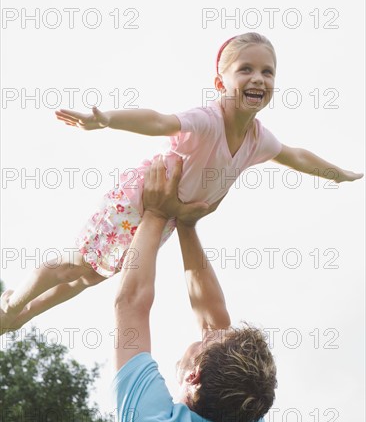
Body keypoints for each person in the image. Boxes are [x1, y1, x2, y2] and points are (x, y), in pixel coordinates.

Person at [0, 33, 362, 333]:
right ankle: (11, 304)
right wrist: (107, 119)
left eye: (268, 72)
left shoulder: (258, 140)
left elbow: (296, 156)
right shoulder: (207, 120)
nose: (258, 78)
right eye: (246, 69)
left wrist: (340, 175)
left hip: (165, 220)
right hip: (137, 202)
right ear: (221, 83)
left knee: (90, 278)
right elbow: (159, 121)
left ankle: (24, 314)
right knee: (74, 265)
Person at [112, 156, 277, 422]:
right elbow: (215, 325)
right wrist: (186, 226)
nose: (208, 333)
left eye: (206, 344)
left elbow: (131, 303)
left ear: (193, 376)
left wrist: (157, 213)